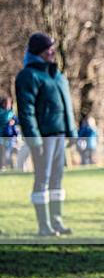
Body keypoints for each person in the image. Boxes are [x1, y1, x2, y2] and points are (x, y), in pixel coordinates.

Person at [15, 32, 77, 236]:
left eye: (52, 47)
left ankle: (56, 220)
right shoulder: (29, 76)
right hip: (43, 137)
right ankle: (44, 225)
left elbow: (66, 106)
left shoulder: (56, 75)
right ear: (37, 52)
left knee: (57, 178)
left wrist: (71, 132)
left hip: (59, 135)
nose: (52, 51)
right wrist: (34, 139)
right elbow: (26, 110)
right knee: (42, 177)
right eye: (47, 49)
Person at [1, 96, 16, 171]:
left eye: (8, 103)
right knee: (3, 152)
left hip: (10, 135)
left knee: (9, 152)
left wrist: (13, 122)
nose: (7, 105)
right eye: (5, 103)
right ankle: (3, 166)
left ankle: (12, 167)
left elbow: (17, 121)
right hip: (1, 135)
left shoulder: (12, 113)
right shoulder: (1, 113)